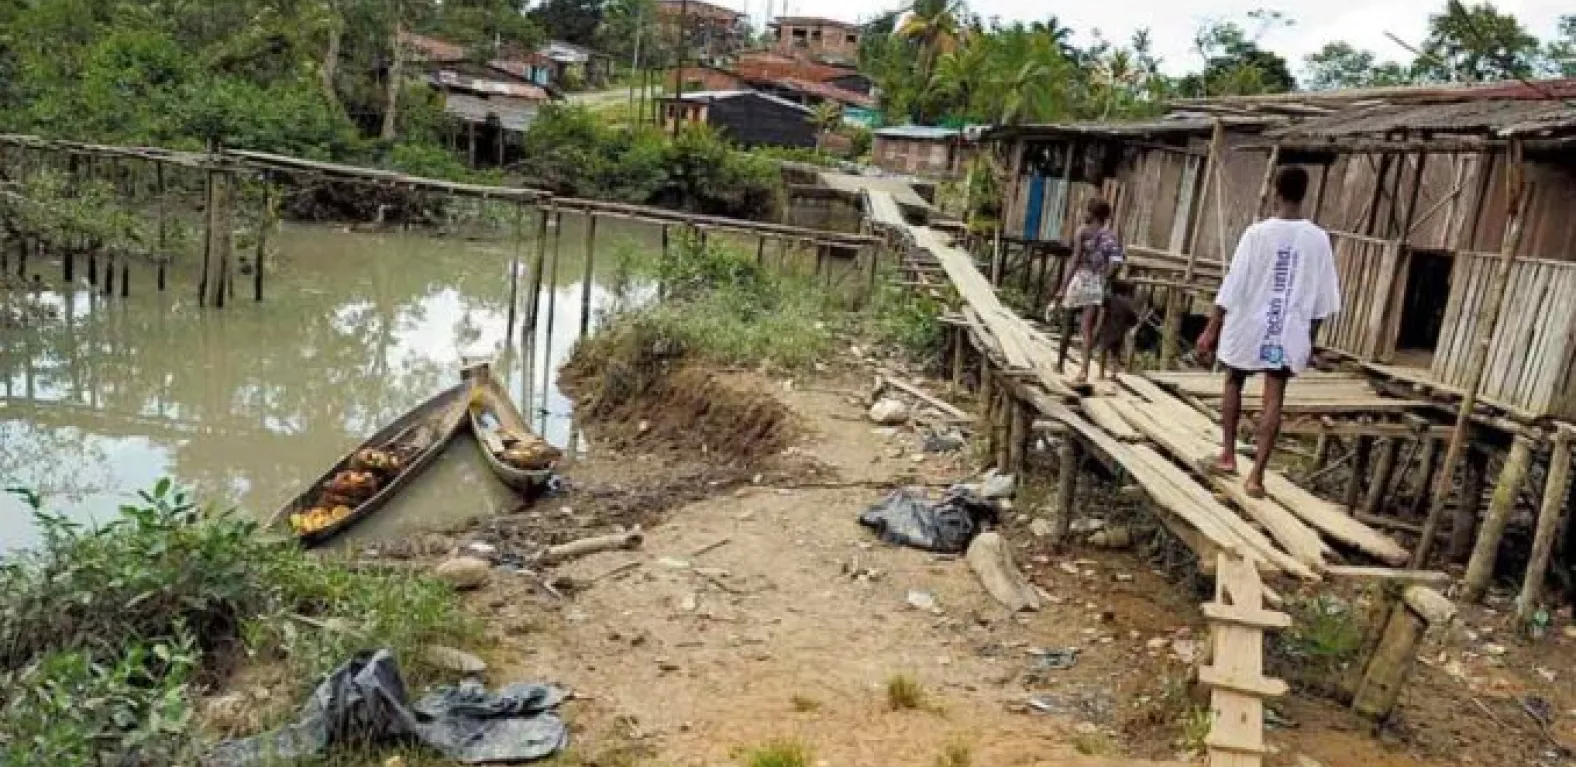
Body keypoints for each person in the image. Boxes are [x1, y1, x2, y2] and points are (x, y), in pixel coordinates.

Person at [1195, 166, 1341, 498]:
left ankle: (1229, 455)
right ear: (1305, 193)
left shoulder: (1257, 234)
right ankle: (1256, 477)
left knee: (1234, 379)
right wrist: (1309, 339)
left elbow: (1234, 283)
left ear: (1276, 190)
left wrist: (1212, 327)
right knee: (1274, 397)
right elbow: (1323, 296)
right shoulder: (1317, 238)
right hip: (1285, 331)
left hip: (1249, 325)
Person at [1052, 197, 1124, 384]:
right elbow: (1117, 262)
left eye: (1087, 211)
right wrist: (1105, 277)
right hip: (1095, 283)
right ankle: (1083, 370)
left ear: (1092, 214)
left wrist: (1062, 287)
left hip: (1080, 279)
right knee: (1087, 328)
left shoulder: (1082, 232)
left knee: (1068, 323)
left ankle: (1059, 364)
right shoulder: (1111, 236)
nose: (1084, 214)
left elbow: (1074, 260)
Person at [1091, 279, 1142, 380]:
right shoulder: (1127, 303)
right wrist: (1126, 327)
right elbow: (1134, 319)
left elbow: (1102, 312)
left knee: (1103, 351)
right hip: (1119, 331)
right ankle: (1114, 373)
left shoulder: (1109, 300)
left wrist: (1097, 329)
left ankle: (1101, 374)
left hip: (1107, 328)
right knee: (1115, 353)